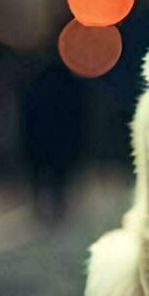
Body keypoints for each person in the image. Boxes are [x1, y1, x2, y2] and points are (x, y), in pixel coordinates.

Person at [19, 59, 87, 223]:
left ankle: (45, 210)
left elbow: (28, 118)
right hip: (58, 141)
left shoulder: (35, 87)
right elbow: (79, 118)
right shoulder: (70, 88)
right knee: (57, 177)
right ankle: (55, 209)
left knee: (42, 176)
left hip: (42, 140)